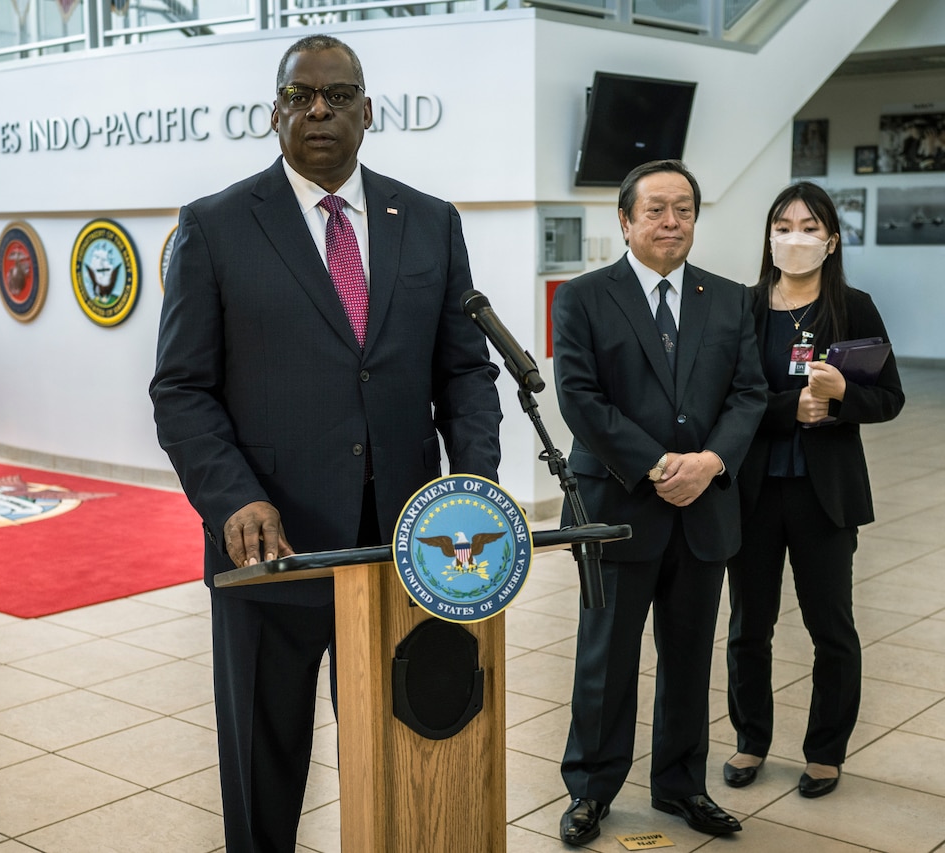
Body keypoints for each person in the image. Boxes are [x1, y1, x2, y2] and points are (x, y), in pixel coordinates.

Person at [149, 35, 502, 853]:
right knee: (264, 763)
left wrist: (471, 491)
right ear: (274, 112)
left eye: (338, 95)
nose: (319, 109)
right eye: (301, 95)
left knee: (405, 747)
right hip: (272, 549)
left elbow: (464, 373)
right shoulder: (215, 226)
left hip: (401, 550)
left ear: (368, 112)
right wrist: (234, 495)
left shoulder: (428, 221)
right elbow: (181, 388)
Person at [551, 159, 767, 845]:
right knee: (605, 659)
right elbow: (579, 397)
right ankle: (591, 789)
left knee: (688, 658)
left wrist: (709, 462)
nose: (671, 221)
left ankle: (681, 785)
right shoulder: (581, 297)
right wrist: (656, 464)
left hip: (701, 509)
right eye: (655, 210)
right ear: (624, 219)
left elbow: (749, 393)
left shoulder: (730, 299)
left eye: (683, 209)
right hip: (616, 508)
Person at [722, 181, 904, 799]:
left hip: (825, 495)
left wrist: (843, 396)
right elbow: (726, 401)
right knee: (750, 625)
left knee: (832, 626)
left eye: (808, 227)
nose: (793, 237)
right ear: (769, 235)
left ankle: (826, 751)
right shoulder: (740, 308)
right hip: (751, 492)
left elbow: (889, 399)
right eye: (783, 225)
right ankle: (750, 739)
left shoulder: (854, 307)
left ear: (831, 240)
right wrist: (786, 409)